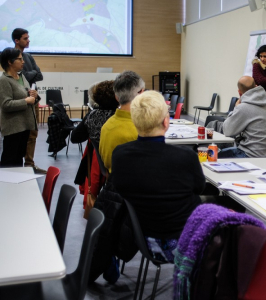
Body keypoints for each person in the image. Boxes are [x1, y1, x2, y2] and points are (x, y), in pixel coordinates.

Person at [111, 90, 205, 263]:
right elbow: (199, 188)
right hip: (183, 244)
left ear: (134, 121)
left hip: (141, 240)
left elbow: (119, 188)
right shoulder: (186, 156)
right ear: (166, 122)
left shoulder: (119, 155)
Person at [71, 80, 118, 210]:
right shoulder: (121, 117)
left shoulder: (91, 117)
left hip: (102, 168)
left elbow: (75, 138)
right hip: (121, 169)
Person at [220, 76, 266, 158]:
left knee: (213, 156)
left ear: (239, 92)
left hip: (249, 155)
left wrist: (236, 108)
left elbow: (227, 130)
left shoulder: (243, 108)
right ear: (256, 86)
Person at [12, 28, 46, 174]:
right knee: (20, 135)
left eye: (28, 38)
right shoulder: (11, 55)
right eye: (25, 38)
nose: (28, 40)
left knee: (33, 133)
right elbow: (21, 74)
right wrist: (31, 74)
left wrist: (29, 74)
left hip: (33, 99)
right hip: (20, 100)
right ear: (17, 40)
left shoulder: (29, 57)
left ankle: (30, 164)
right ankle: (18, 166)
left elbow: (40, 75)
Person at [99, 70, 144, 172]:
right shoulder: (140, 131)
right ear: (141, 93)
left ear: (116, 97)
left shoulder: (106, 126)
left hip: (113, 181)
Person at [0, 48, 38, 167]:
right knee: (9, 161)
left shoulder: (21, 77)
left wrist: (34, 96)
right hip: (13, 127)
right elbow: (6, 105)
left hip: (25, 126)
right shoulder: (4, 80)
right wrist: (26, 101)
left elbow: (29, 97)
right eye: (20, 59)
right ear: (10, 62)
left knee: (18, 160)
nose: (23, 61)